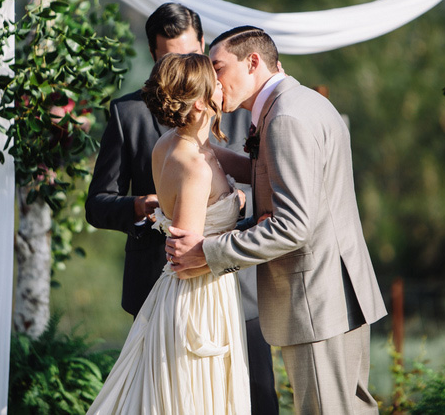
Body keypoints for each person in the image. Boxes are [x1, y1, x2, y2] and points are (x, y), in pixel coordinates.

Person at [166, 26, 388, 414]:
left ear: (253, 62)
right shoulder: (302, 103)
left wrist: (209, 251)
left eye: (218, 68)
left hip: (316, 301)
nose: (213, 81)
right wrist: (208, 154)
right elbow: (274, 173)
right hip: (334, 293)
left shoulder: (285, 118)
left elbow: (293, 225)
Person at [85, 4, 278, 413]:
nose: (221, 88)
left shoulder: (185, 143)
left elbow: (248, 165)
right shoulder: (188, 158)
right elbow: (188, 249)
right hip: (198, 297)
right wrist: (236, 211)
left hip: (224, 291)